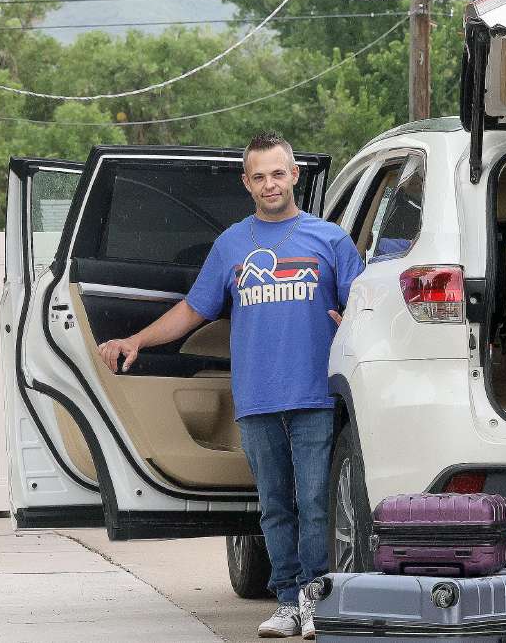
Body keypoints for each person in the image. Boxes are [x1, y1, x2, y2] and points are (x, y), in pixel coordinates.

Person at [96, 132, 364, 640]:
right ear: (247, 182)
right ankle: (287, 602)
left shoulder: (330, 240)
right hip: (257, 396)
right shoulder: (232, 244)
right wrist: (137, 339)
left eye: (278, 173)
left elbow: (362, 307)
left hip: (315, 396)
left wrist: (350, 320)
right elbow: (193, 311)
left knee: (313, 502)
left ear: (294, 175)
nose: (270, 184)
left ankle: (315, 599)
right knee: (274, 505)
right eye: (259, 176)